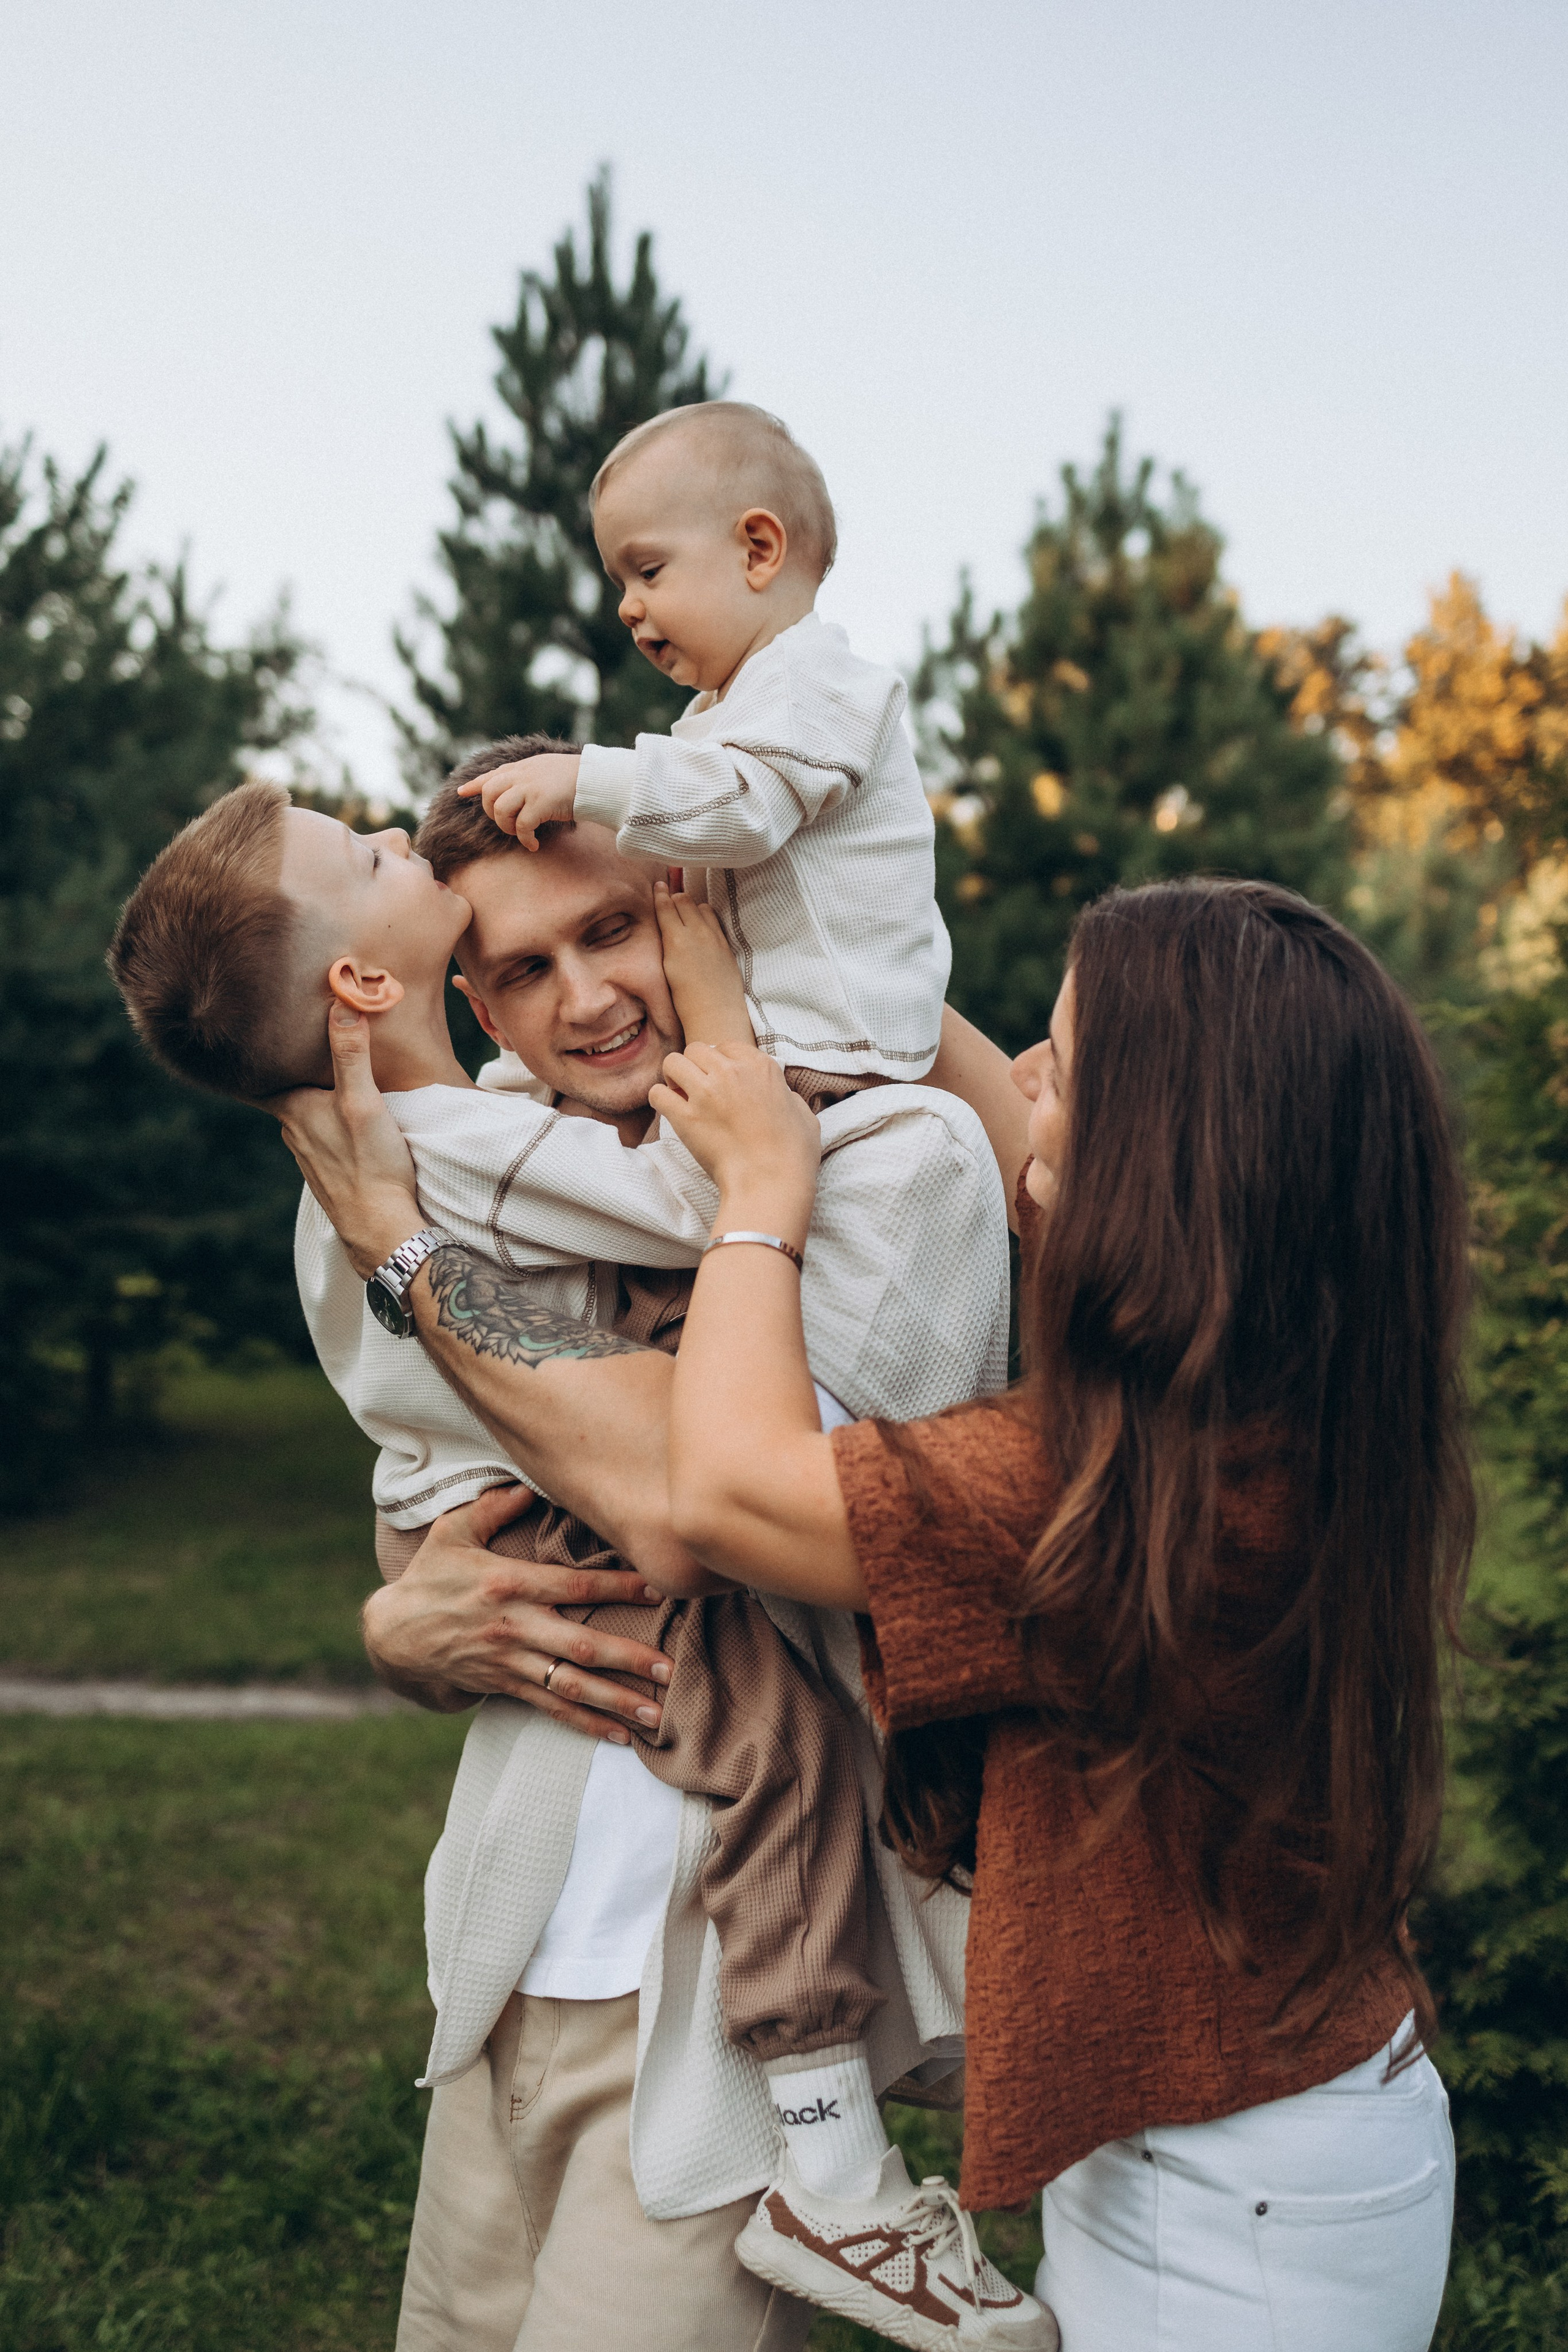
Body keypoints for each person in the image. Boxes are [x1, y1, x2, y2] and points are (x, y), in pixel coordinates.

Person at [108, 767, 1047, 2351]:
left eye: (619, 928)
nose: (589, 997)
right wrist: (404, 1620)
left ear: (705, 910)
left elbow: (699, 1504)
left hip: (727, 2003)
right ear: (460, 989)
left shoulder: (877, 1160)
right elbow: (431, 1514)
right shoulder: (494, 1150)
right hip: (512, 1946)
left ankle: (838, 2181)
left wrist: (409, 1257)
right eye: (524, 968)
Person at [626, 876, 1468, 2350]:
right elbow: (1002, 1104)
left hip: (1232, 2198)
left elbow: (726, 1490)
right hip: (1254, 2121)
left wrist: (760, 1190)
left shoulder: (1128, 1486)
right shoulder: (1292, 1370)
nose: (1017, 1076)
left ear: (1159, 1163)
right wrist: (794, 923)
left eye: (1061, 1065)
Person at [456, 399, 949, 1093]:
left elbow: (743, 811)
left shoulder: (810, 683)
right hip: (781, 1039)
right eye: (620, 584)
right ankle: (509, 1093)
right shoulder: (729, 708)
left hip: (832, 1048)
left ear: (757, 550)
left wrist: (584, 781)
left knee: (687, 1170)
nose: (627, 607)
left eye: (648, 572)